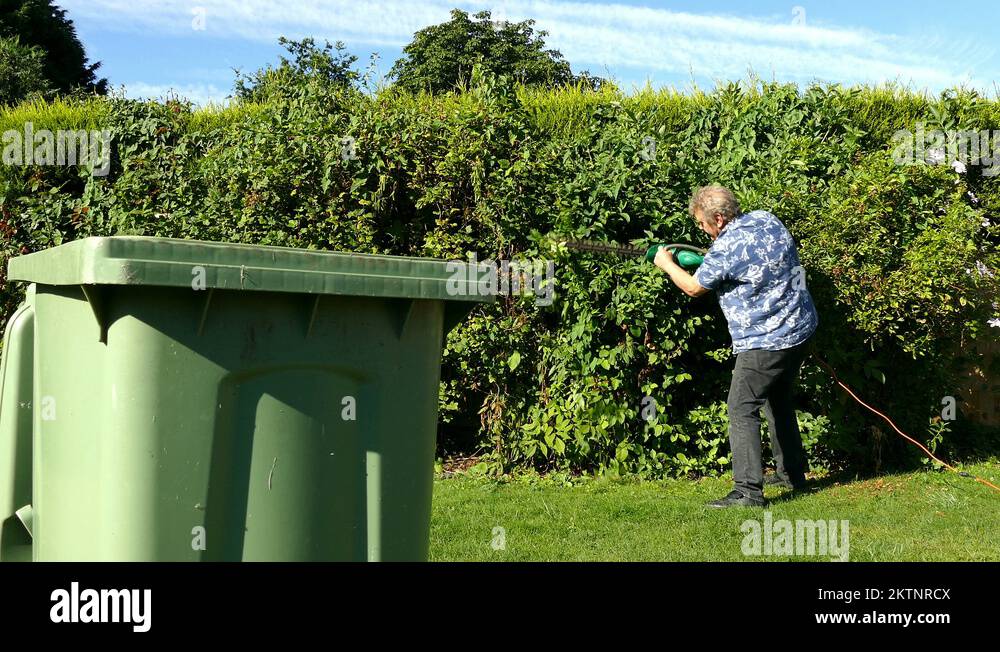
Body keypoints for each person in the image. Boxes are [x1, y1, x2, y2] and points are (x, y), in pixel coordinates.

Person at [654, 184, 819, 507]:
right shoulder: (766, 219)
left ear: (718, 217)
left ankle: (747, 492)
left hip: (765, 343)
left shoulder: (726, 249)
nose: (701, 230)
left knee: (741, 408)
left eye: (702, 223)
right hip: (800, 329)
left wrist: (667, 263)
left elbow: (692, 287)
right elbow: (749, 260)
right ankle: (791, 473)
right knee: (778, 400)